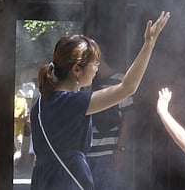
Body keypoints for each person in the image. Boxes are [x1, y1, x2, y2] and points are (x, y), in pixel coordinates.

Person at [30, 11, 170, 190]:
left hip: (43, 180)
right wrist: (149, 44)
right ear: (76, 70)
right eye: (94, 64)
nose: (97, 68)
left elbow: (37, 155)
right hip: (67, 180)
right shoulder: (73, 102)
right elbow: (127, 88)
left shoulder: (40, 104)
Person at [86, 60, 133, 190]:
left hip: (108, 152)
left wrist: (120, 149)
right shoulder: (85, 82)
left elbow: (127, 117)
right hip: (84, 154)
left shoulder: (119, 80)